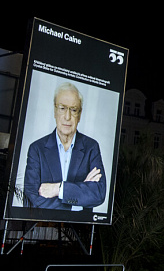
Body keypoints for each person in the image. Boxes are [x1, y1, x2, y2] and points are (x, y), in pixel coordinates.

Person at [23, 82, 106, 211]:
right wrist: (76, 203)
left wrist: (58, 189)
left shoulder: (91, 147)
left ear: (80, 115)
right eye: (62, 108)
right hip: (44, 223)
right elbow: (31, 199)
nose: (67, 117)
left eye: (73, 110)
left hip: (79, 224)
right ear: (55, 111)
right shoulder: (37, 149)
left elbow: (98, 193)